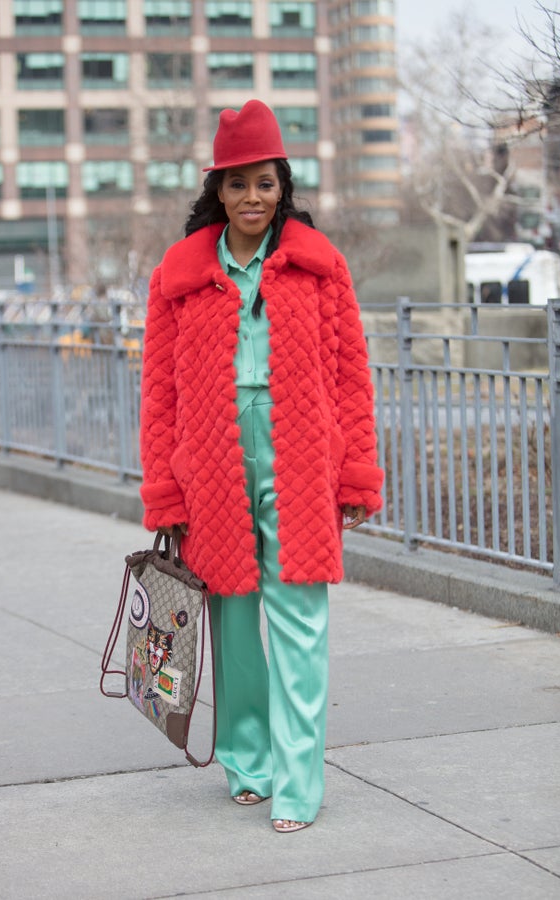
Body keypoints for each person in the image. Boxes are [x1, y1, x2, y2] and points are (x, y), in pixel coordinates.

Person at [139, 99, 384, 833]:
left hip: (302, 456)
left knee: (301, 620)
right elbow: (159, 394)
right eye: (239, 183)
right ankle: (249, 761)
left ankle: (299, 783)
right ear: (216, 189)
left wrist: (358, 473)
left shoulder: (318, 266)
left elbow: (351, 377)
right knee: (234, 620)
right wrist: (165, 489)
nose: (253, 198)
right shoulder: (178, 276)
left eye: (266, 184)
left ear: (285, 189)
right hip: (211, 462)